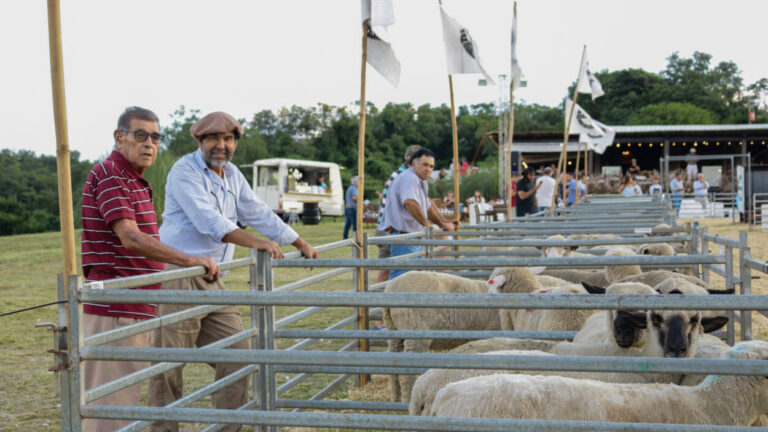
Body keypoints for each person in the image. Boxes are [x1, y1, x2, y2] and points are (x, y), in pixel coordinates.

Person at [149, 112, 318, 432]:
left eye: (228, 139)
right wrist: (258, 243)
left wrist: (298, 240)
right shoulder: (184, 172)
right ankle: (163, 430)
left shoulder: (232, 175)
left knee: (238, 355)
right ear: (199, 141)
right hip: (180, 272)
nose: (221, 145)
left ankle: (227, 428)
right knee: (169, 363)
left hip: (214, 276)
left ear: (235, 143)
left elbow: (258, 211)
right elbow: (210, 222)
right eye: (213, 138)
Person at [80, 107, 220, 432]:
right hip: (116, 308)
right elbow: (130, 238)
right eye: (140, 135)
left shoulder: (132, 179)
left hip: (132, 308)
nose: (149, 144)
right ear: (120, 137)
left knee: (120, 407)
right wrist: (190, 261)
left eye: (155, 137)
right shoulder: (113, 174)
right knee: (108, 413)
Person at [383, 148, 456, 280]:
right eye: (425, 165)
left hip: (411, 236)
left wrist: (443, 223)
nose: (428, 169)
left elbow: (428, 207)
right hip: (404, 236)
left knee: (411, 277)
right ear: (413, 164)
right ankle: (392, 299)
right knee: (403, 279)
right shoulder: (409, 178)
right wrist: (427, 224)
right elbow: (410, 202)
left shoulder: (420, 181)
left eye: (431, 166)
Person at [373, 145, 422, 284]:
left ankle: (375, 300)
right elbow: (410, 203)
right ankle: (375, 300)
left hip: (386, 226)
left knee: (386, 268)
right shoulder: (405, 176)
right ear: (414, 162)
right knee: (387, 269)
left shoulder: (400, 173)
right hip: (390, 228)